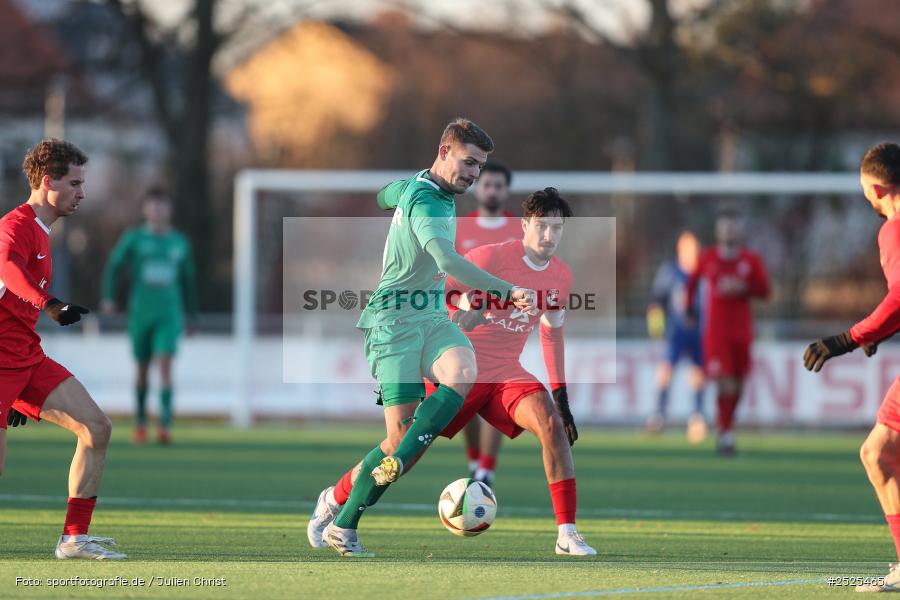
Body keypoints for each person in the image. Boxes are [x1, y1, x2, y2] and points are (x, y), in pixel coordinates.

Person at [310, 187, 596, 556]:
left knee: (551, 424)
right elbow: (437, 291)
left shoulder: (561, 277)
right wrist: (464, 311)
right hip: (459, 372)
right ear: (524, 225)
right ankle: (336, 502)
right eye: (542, 226)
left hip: (505, 374)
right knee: (400, 450)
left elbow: (551, 333)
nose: (549, 235)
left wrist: (561, 396)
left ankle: (567, 533)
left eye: (556, 228)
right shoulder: (492, 256)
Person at [316, 118, 536, 557]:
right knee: (399, 444)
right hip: (393, 323)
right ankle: (341, 511)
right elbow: (447, 260)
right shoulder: (430, 202)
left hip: (432, 317)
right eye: (468, 162)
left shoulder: (420, 187)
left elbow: (387, 193)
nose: (474, 174)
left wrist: (390, 201)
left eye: (480, 166)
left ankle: (342, 517)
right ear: (444, 152)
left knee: (463, 369)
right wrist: (506, 290)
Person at [0, 139, 126, 560]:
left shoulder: (42, 231)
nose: (82, 192)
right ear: (47, 181)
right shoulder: (15, 224)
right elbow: (8, 270)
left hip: (25, 358)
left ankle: (74, 539)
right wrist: (49, 304)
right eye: (74, 183)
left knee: (96, 428)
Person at [803, 142, 900, 592]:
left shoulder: (894, 229)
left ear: (878, 188)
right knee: (880, 452)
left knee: (876, 454)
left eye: (865, 191)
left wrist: (849, 338)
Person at [101, 187, 198, 445]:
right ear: (145, 209)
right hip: (141, 313)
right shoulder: (134, 239)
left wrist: (192, 315)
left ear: (169, 209)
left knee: (165, 365)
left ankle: (165, 424)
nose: (157, 210)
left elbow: (189, 281)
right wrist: (109, 297)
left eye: (162, 205)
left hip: (169, 314)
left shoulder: (179, 242)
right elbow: (114, 265)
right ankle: (141, 422)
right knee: (142, 369)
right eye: (153, 205)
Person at [455, 161, 521, 485]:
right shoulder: (460, 229)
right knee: (464, 392)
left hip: (503, 328)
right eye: (487, 184)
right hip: (465, 323)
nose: (492, 190)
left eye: (499, 185)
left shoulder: (520, 232)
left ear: (506, 191)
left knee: (495, 394)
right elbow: (449, 278)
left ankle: (487, 469)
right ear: (477, 188)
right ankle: (473, 462)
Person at [685, 208, 769, 456]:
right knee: (725, 383)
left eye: (733, 226)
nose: (729, 230)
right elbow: (690, 285)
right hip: (716, 332)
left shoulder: (751, 261)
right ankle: (726, 434)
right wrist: (690, 311)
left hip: (742, 332)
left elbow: (765, 291)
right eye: (724, 226)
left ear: (740, 229)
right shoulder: (708, 257)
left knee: (739, 384)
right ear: (718, 230)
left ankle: (726, 428)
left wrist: (743, 287)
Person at [645, 231, 707, 443]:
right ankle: (659, 415)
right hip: (676, 332)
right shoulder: (671, 271)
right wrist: (656, 328)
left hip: (699, 332)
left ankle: (697, 417)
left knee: (698, 374)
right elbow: (656, 300)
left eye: (696, 248)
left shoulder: (704, 272)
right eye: (690, 248)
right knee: (666, 371)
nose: (694, 252)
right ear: (681, 249)